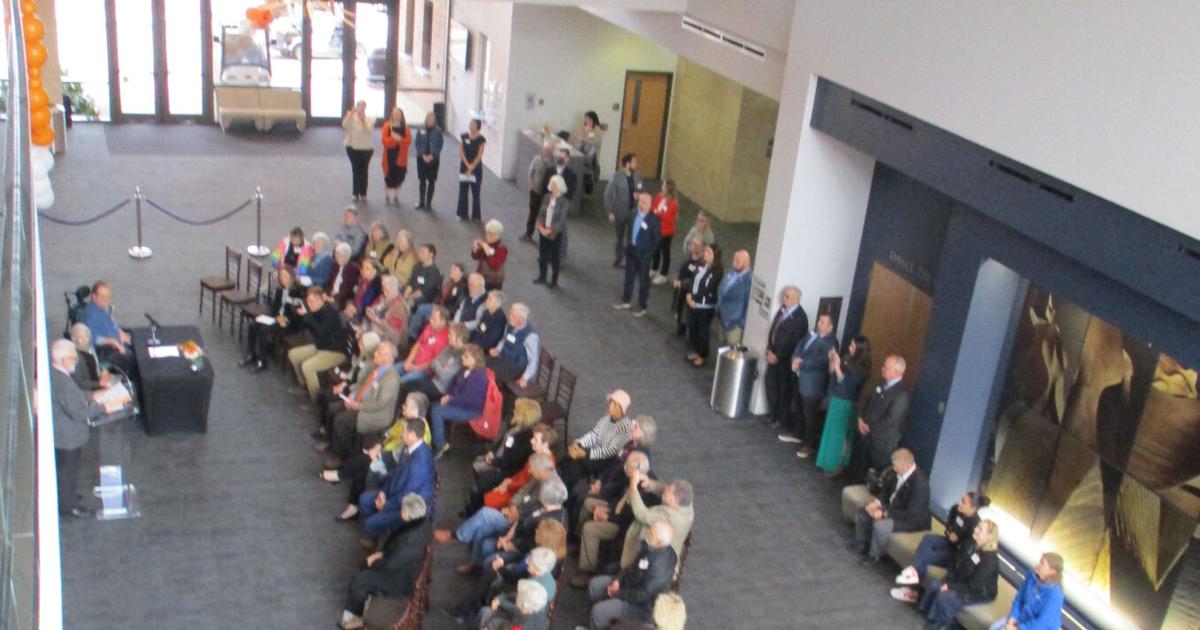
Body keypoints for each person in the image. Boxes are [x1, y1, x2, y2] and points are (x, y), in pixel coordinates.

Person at [50, 339, 130, 518]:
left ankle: (67, 496)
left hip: (63, 435)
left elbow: (74, 396)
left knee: (67, 471)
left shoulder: (56, 374)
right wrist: (106, 406)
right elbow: (79, 413)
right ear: (64, 361)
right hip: (68, 437)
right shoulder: (63, 383)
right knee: (68, 472)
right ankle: (68, 507)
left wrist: (94, 395)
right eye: (73, 358)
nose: (76, 361)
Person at [322, 391, 427, 519]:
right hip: (387, 454)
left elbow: (406, 460)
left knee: (363, 463)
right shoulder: (404, 420)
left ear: (416, 410)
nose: (403, 407)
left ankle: (342, 479)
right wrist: (378, 447)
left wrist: (381, 455)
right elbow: (387, 435)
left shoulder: (422, 433)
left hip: (396, 466)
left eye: (406, 405)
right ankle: (353, 504)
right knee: (363, 462)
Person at [338, 493, 432, 630]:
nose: (401, 511)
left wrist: (373, 561)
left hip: (400, 580)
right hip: (407, 566)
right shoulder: (424, 524)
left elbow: (391, 566)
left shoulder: (409, 541)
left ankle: (354, 618)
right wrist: (382, 554)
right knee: (364, 569)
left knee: (360, 579)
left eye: (403, 509)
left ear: (407, 514)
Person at [573, 451, 652, 585]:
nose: (624, 467)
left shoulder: (644, 490)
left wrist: (607, 517)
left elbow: (630, 516)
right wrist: (607, 509)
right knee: (588, 503)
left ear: (636, 470)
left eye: (627, 465)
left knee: (589, 529)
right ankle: (579, 542)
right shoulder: (634, 478)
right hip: (617, 511)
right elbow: (621, 500)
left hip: (623, 526)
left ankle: (588, 570)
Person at [894, 492, 989, 601]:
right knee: (928, 539)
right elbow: (949, 523)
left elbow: (966, 552)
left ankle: (913, 589)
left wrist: (959, 541)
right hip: (949, 542)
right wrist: (950, 532)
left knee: (927, 555)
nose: (959, 502)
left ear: (973, 508)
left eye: (964, 502)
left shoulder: (975, 526)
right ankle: (914, 576)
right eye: (961, 499)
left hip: (957, 554)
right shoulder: (956, 509)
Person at [587, 520, 677, 630]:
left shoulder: (660, 566)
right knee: (595, 584)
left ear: (659, 541)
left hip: (641, 607)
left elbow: (643, 595)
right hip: (630, 585)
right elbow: (632, 566)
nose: (648, 532)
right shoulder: (650, 546)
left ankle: (598, 619)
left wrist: (618, 593)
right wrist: (618, 580)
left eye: (651, 532)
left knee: (598, 612)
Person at [323, 341, 401, 465]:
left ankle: (341, 456)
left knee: (341, 420)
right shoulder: (378, 368)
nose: (375, 354)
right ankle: (332, 441)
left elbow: (380, 404)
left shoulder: (391, 379)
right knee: (333, 408)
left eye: (378, 353)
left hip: (376, 415)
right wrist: (352, 396)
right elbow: (363, 386)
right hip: (361, 402)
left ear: (387, 357)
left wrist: (356, 405)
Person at [358, 417, 436, 541]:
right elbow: (395, 474)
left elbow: (409, 493)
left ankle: (377, 534)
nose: (401, 433)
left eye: (404, 431)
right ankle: (378, 530)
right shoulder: (408, 447)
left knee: (370, 523)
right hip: (395, 493)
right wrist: (383, 492)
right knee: (365, 499)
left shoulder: (420, 463)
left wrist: (386, 505)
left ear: (412, 435)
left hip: (409, 506)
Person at [850, 448, 931, 564]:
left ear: (906, 466)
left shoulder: (920, 485)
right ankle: (861, 543)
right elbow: (886, 491)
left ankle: (874, 555)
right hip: (893, 507)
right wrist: (877, 503)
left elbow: (911, 513)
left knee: (881, 526)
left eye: (896, 466)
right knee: (864, 508)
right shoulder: (897, 472)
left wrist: (884, 513)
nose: (893, 468)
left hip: (911, 521)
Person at [917, 520, 1000, 630]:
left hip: (979, 591)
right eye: (977, 527)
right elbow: (955, 561)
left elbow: (974, 585)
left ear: (989, 536)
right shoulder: (971, 545)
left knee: (946, 596)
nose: (975, 529)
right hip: (962, 580)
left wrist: (950, 586)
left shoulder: (990, 560)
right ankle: (930, 616)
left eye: (980, 529)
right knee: (935, 585)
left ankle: (941, 624)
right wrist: (949, 579)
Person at [815, 335, 872, 475]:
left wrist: (839, 366)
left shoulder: (862, 369)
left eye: (853, 346)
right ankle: (825, 461)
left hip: (846, 403)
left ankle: (835, 466)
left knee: (839, 436)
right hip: (836, 398)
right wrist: (832, 361)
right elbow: (832, 373)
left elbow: (847, 385)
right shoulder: (847, 358)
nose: (850, 348)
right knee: (830, 432)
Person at [849, 354, 911, 482]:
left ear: (896, 372)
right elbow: (868, 401)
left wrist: (869, 428)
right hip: (866, 435)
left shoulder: (901, 394)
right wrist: (861, 418)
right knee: (859, 466)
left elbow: (891, 420)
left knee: (875, 474)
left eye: (886, 367)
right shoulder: (881, 383)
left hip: (882, 443)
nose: (882, 368)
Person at [786, 313, 840, 458]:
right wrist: (795, 358)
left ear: (830, 326)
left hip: (813, 384)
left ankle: (809, 444)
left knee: (810, 415)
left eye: (823, 322)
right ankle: (797, 433)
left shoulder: (831, 342)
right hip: (800, 377)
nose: (819, 323)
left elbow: (822, 361)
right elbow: (800, 345)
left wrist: (801, 362)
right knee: (798, 406)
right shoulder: (812, 334)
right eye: (819, 321)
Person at [621, 474, 694, 575]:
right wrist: (649, 484)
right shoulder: (686, 503)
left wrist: (633, 488)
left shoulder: (672, 518)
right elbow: (663, 489)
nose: (665, 489)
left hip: (652, 560)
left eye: (669, 490)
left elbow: (642, 514)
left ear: (675, 500)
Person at [561, 390, 634, 487]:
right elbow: (594, 434)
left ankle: (564, 485)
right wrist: (579, 444)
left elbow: (610, 451)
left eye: (615, 404)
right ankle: (558, 472)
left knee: (576, 467)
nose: (610, 406)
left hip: (607, 460)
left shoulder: (625, 428)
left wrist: (585, 453)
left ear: (622, 409)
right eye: (610, 402)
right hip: (593, 451)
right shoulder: (606, 418)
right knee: (569, 456)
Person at [241, 264, 305, 372]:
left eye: (286, 276)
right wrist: (275, 317)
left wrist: (283, 319)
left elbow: (298, 314)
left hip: (290, 322)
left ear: (291, 276)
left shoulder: (298, 291)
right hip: (278, 317)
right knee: (253, 325)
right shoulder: (280, 290)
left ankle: (262, 361)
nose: (283, 279)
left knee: (264, 330)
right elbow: (275, 307)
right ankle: (251, 353)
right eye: (281, 276)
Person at [288, 287, 348, 402]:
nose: (310, 305)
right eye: (308, 301)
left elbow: (320, 332)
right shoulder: (315, 311)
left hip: (336, 352)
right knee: (293, 355)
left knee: (307, 366)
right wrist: (299, 315)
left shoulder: (330, 313)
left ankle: (316, 399)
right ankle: (305, 384)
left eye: (312, 301)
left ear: (321, 299)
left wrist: (307, 316)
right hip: (322, 346)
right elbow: (304, 327)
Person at [429, 343, 489, 456]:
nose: (462, 357)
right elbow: (453, 385)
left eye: (466, 357)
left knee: (437, 411)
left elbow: (467, 399)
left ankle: (440, 444)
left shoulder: (479, 377)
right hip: (458, 402)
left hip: (470, 410)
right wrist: (447, 395)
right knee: (434, 406)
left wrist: (450, 399)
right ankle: (437, 437)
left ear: (475, 359)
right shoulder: (465, 369)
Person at [763, 285, 809, 428]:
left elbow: (795, 342)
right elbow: (774, 331)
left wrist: (778, 356)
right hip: (772, 356)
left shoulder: (800, 318)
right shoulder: (782, 310)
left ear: (796, 299)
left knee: (783, 391)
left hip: (784, 361)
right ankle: (773, 414)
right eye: (784, 295)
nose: (784, 298)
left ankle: (781, 419)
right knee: (770, 386)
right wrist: (770, 350)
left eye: (788, 296)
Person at [988, 553, 1064, 630]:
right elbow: (1019, 599)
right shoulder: (1031, 575)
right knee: (994, 627)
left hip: (1037, 627)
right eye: (1039, 561)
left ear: (1052, 571)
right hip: (1022, 618)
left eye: (1042, 564)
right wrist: (1013, 617)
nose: (1038, 565)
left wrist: (1019, 628)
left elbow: (1043, 623)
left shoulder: (1055, 595)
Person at [615, 193, 662, 317]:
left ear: (650, 205)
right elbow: (627, 229)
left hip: (644, 255)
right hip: (631, 251)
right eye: (640, 201)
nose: (641, 204)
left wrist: (649, 254)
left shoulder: (654, 220)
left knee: (643, 281)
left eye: (644, 202)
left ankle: (642, 306)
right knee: (628, 277)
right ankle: (626, 300)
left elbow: (656, 240)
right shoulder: (633, 214)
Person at [80, 280, 138, 379]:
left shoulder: (101, 308)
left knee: (136, 339)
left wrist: (119, 332)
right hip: (104, 350)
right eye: (103, 297)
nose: (106, 300)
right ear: (94, 296)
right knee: (135, 358)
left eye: (108, 297)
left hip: (114, 339)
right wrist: (113, 342)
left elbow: (110, 324)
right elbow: (93, 338)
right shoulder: (91, 315)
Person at [683, 243, 722, 367]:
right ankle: (696, 351)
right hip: (693, 302)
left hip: (705, 307)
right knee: (693, 328)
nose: (705, 254)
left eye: (709, 252)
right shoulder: (700, 264)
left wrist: (695, 299)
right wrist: (689, 294)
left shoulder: (717, 270)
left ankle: (703, 355)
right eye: (705, 251)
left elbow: (708, 288)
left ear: (715, 256)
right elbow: (693, 279)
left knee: (703, 332)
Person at [604, 154, 645, 268]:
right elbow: (608, 194)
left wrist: (640, 195)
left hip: (634, 212)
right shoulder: (616, 176)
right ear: (627, 164)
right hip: (620, 212)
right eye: (634, 162)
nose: (636, 164)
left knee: (632, 237)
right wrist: (610, 211)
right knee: (619, 237)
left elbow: (643, 191)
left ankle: (630, 259)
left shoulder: (638, 176)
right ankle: (619, 257)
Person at [486, 303, 539, 388]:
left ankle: (492, 395)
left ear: (521, 318)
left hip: (516, 367)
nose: (510, 317)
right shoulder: (511, 325)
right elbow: (504, 339)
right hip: (503, 358)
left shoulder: (531, 336)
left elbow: (533, 360)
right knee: (481, 362)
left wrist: (525, 377)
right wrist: (498, 349)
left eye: (513, 315)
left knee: (489, 373)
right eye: (510, 314)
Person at [396, 305, 451, 384]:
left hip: (424, 371)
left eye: (434, 319)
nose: (430, 321)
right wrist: (408, 361)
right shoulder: (430, 326)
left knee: (401, 381)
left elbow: (433, 362)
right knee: (390, 371)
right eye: (431, 318)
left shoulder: (445, 339)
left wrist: (415, 368)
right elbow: (418, 344)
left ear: (443, 322)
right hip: (413, 362)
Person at [533, 174, 569, 288]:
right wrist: (540, 227)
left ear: (559, 187)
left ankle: (554, 280)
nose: (552, 187)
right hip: (543, 230)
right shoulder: (547, 197)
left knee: (554, 257)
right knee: (542, 255)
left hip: (555, 234)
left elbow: (561, 220)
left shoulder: (564, 202)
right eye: (552, 184)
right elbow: (541, 213)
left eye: (554, 185)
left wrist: (550, 230)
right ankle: (542, 276)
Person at [716, 249, 752, 346]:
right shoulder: (731, 273)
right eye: (733, 260)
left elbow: (748, 305)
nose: (733, 264)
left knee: (732, 351)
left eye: (737, 262)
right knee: (722, 347)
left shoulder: (749, 281)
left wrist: (740, 324)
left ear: (746, 264)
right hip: (722, 317)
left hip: (734, 325)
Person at [671, 238, 705, 337]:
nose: (693, 246)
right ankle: (680, 330)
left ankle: (691, 337)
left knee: (689, 314)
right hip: (683, 291)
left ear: (702, 247)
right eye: (693, 244)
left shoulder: (702, 263)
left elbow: (696, 279)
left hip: (692, 293)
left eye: (696, 245)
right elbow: (681, 270)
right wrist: (677, 279)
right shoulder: (689, 258)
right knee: (680, 309)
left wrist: (682, 283)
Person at [522, 141, 555, 243]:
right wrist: (530, 184)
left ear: (552, 151)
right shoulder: (537, 159)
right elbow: (530, 171)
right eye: (545, 149)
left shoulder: (554, 163)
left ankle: (544, 238)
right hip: (535, 190)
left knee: (545, 216)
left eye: (549, 150)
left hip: (547, 194)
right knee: (532, 213)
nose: (546, 152)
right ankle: (528, 234)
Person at [363, 274, 409, 348]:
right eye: (383, 289)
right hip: (377, 328)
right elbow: (374, 307)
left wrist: (377, 320)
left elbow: (392, 331)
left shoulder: (400, 307)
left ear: (394, 289)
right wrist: (370, 310)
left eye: (387, 290)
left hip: (391, 338)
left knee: (365, 340)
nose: (384, 293)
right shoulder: (384, 297)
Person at [343, 100, 375, 202]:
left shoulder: (370, 118)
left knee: (364, 170)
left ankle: (363, 193)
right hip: (352, 147)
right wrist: (349, 116)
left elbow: (368, 130)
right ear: (356, 107)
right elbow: (345, 126)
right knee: (355, 170)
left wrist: (363, 121)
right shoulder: (351, 117)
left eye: (362, 106)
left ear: (365, 108)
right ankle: (355, 193)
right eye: (358, 106)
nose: (360, 108)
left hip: (366, 148)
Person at [379, 107, 412, 206]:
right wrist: (397, 140)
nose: (397, 116)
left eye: (399, 114)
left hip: (401, 158)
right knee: (388, 177)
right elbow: (385, 141)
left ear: (402, 116)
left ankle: (396, 196)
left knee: (400, 177)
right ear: (392, 115)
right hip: (389, 157)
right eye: (395, 114)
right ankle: (387, 196)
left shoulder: (406, 128)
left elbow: (408, 141)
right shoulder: (387, 126)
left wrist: (398, 140)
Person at [649, 181, 679, 284]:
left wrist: (657, 213)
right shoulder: (659, 196)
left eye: (663, 187)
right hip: (657, 229)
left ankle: (663, 275)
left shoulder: (673, 203)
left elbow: (667, 217)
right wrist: (658, 212)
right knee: (655, 250)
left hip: (666, 232)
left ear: (668, 189)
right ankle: (654, 269)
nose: (661, 188)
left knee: (665, 252)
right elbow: (653, 208)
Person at [457, 118, 487, 222]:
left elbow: (479, 155)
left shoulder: (481, 139)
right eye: (470, 124)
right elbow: (461, 151)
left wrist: (472, 167)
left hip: (476, 167)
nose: (471, 126)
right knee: (463, 191)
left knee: (476, 192)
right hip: (464, 166)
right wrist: (466, 164)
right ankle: (462, 213)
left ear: (478, 127)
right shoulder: (464, 136)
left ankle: (476, 216)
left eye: (473, 124)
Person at [414, 112, 443, 210]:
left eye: (432, 119)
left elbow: (439, 145)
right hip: (421, 158)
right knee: (422, 180)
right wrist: (422, 155)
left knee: (431, 181)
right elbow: (417, 142)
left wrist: (431, 156)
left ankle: (428, 203)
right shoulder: (421, 128)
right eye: (428, 118)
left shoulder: (438, 131)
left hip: (433, 159)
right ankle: (421, 202)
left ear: (435, 120)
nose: (430, 120)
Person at [571, 110, 605, 195]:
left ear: (593, 120)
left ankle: (587, 180)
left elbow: (594, 141)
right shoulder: (583, 127)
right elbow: (574, 136)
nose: (586, 121)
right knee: (576, 145)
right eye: (585, 119)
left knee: (588, 148)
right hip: (582, 152)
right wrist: (583, 134)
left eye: (588, 119)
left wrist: (584, 137)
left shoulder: (597, 130)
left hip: (592, 156)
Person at [68, 324, 110, 392]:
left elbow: (97, 365)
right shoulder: (74, 356)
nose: (85, 339)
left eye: (86, 336)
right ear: (74, 338)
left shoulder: (90, 349)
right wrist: (100, 383)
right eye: (80, 337)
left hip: (97, 382)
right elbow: (79, 382)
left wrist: (103, 371)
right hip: (88, 390)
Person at [471, 219, 509, 290]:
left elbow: (494, 265)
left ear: (497, 235)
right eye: (487, 233)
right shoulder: (485, 242)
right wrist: (475, 248)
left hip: (493, 282)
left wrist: (487, 250)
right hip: (481, 277)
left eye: (491, 234)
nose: (487, 236)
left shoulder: (501, 249)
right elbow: (475, 257)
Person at [324, 242, 361, 310]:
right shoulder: (335, 265)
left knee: (326, 308)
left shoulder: (353, 268)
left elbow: (347, 289)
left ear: (348, 256)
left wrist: (334, 298)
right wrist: (326, 294)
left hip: (341, 299)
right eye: (337, 255)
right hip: (330, 295)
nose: (338, 258)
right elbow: (329, 282)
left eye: (341, 255)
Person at [345, 258, 383, 323]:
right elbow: (352, 294)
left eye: (367, 268)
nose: (364, 270)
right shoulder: (361, 279)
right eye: (363, 267)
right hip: (351, 309)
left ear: (374, 271)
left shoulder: (376, 286)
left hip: (360, 317)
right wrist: (349, 304)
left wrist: (354, 310)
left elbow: (365, 306)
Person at [404, 243, 442, 308]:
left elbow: (423, 291)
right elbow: (411, 281)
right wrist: (406, 294)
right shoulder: (417, 266)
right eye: (420, 251)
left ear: (431, 255)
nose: (420, 254)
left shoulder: (434, 272)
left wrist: (409, 297)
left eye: (423, 252)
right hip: (412, 293)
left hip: (424, 298)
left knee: (408, 304)